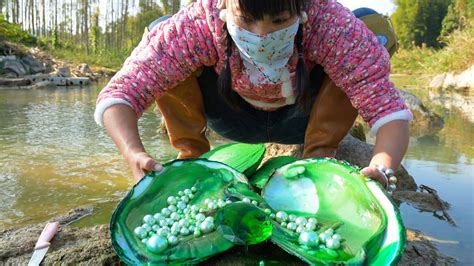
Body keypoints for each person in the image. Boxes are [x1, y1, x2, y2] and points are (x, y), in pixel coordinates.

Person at [94, 0, 412, 189]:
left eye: (279, 20)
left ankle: (319, 154)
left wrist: (383, 168)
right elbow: (121, 94)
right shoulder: (199, 24)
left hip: (299, 119)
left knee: (368, 21)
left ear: (302, 9)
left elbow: (389, 114)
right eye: (246, 19)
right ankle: (190, 155)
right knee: (161, 29)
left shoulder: (330, 23)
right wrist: (133, 153)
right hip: (231, 118)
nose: (262, 35)